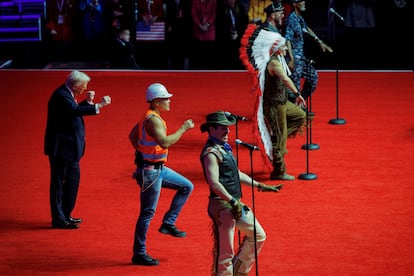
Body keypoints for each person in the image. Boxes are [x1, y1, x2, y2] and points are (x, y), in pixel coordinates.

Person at [200, 110, 283, 276]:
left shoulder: (223, 148)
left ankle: (239, 272)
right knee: (225, 253)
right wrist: (232, 201)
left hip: (233, 204)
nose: (228, 131)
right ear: (212, 129)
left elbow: (235, 173)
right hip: (222, 206)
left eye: (228, 127)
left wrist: (259, 185)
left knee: (259, 235)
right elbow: (214, 183)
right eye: (223, 127)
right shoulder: (211, 153)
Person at [129, 83, 194, 266]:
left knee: (187, 186)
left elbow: (132, 136)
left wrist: (141, 152)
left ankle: (168, 223)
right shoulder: (154, 120)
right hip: (151, 171)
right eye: (166, 99)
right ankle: (139, 253)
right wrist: (183, 129)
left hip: (156, 168)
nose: (169, 101)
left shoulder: (148, 116)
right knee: (147, 213)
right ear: (157, 101)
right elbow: (165, 142)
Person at [44, 70, 112, 229]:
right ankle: (58, 218)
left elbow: (72, 110)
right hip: (61, 149)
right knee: (58, 184)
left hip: (70, 149)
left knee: (72, 182)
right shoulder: (61, 96)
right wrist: (98, 105)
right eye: (83, 86)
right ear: (75, 85)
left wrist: (87, 102)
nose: (85, 89)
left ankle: (66, 214)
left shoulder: (66, 94)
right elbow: (73, 111)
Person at [240, 25, 306, 180]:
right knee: (280, 137)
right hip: (274, 105)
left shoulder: (280, 59)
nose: (285, 49)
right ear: (276, 48)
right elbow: (285, 78)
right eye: (283, 47)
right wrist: (297, 93)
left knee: (300, 116)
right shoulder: (274, 63)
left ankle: (275, 140)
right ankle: (279, 171)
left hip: (282, 102)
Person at [284, 0, 333, 105]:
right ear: (294, 4)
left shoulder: (299, 18)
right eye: (301, 1)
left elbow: (307, 29)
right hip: (295, 59)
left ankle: (299, 104)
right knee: (294, 88)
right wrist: (291, 59)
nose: (304, 2)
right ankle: (293, 112)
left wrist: (320, 42)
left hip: (301, 58)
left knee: (313, 77)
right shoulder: (291, 19)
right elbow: (287, 39)